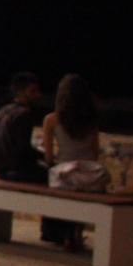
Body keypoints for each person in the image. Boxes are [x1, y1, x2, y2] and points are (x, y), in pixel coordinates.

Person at [0, 71, 69, 244]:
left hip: (0, 168)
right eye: (33, 91)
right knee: (55, 178)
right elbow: (22, 151)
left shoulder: (2, 111)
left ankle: (52, 231)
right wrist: (46, 158)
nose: (38, 95)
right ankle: (53, 231)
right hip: (13, 171)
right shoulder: (24, 115)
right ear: (23, 92)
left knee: (49, 174)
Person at [42, 73, 106, 250]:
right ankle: (77, 231)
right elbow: (94, 152)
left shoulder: (51, 120)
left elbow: (48, 157)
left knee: (60, 183)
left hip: (63, 175)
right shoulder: (92, 119)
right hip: (89, 176)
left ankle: (66, 234)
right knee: (86, 188)